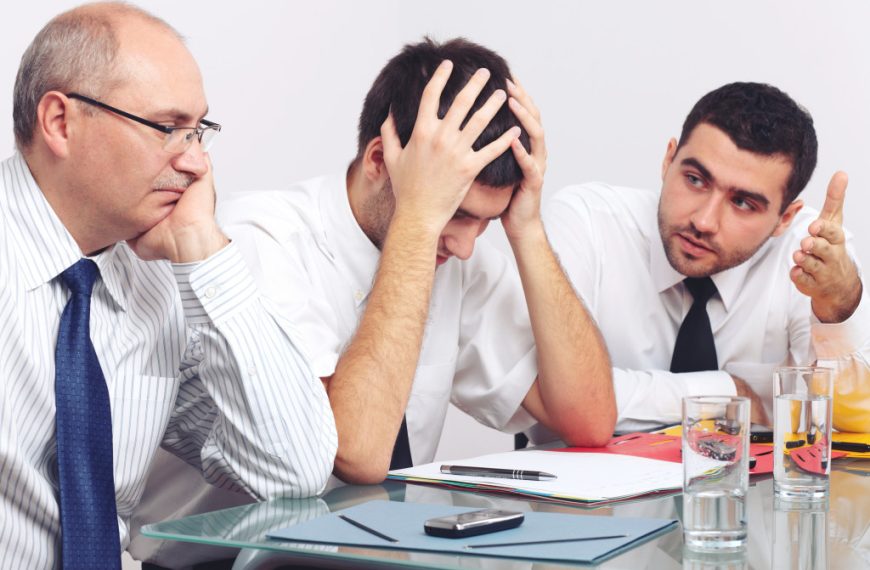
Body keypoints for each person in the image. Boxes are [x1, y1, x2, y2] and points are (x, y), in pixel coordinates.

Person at [0, 3, 337, 568]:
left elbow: (294, 470)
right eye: (168, 128)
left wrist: (204, 247)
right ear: (60, 122)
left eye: (198, 130)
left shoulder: (157, 284)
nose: (198, 163)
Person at [221, 37, 616, 481]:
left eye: (488, 219)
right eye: (456, 210)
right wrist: (418, 219)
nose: (467, 246)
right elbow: (357, 452)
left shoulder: (459, 260)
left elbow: (590, 420)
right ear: (378, 160)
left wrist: (526, 228)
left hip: (388, 545)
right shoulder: (262, 239)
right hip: (235, 551)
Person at [542, 82, 869, 434]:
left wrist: (838, 309)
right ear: (669, 160)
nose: (703, 221)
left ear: (784, 219)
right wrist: (725, 394)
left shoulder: (810, 250)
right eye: (695, 180)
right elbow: (554, 394)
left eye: (743, 203)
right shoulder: (588, 222)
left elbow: (843, 422)